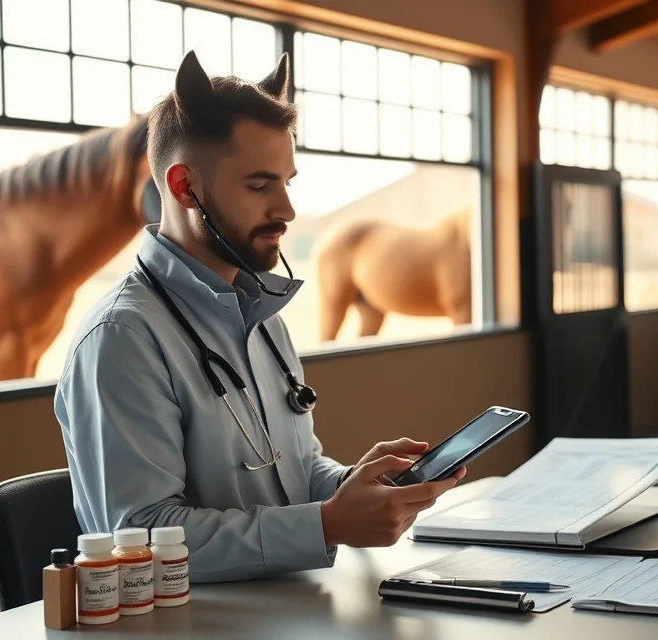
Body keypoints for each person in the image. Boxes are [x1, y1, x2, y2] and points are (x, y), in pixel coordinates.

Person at [54, 51, 465, 583]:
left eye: (287, 182)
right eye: (258, 185)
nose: (287, 209)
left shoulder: (262, 316)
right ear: (183, 187)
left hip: (289, 604)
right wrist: (326, 524)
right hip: (191, 619)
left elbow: (296, 470)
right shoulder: (122, 338)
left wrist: (352, 487)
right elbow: (140, 537)